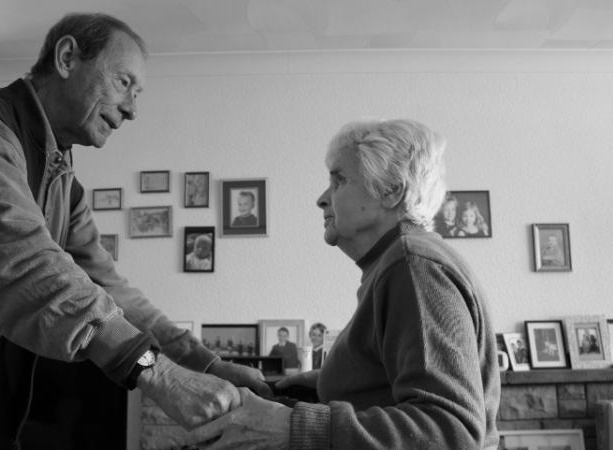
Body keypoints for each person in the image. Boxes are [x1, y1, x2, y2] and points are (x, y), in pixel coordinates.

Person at [0, 13, 269, 449]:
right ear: (67, 57)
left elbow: (112, 288)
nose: (133, 109)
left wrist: (206, 365)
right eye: (124, 82)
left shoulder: (63, 183)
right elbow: (22, 264)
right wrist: (157, 372)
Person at [188, 119, 501, 449]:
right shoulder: (397, 263)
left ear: (392, 190)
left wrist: (296, 426)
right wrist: (333, 385)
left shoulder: (413, 264)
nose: (322, 199)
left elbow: (450, 432)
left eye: (339, 181)